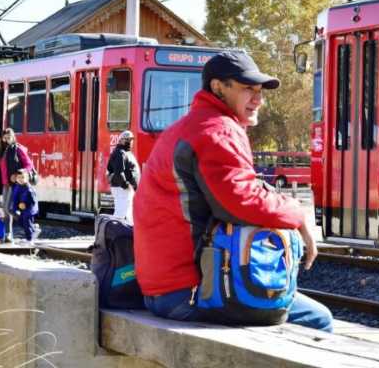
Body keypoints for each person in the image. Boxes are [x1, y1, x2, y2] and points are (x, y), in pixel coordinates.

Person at [134, 51, 332, 331]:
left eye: (260, 91)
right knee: (320, 321)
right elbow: (240, 203)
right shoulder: (217, 130)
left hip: (162, 288)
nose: (258, 100)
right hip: (190, 291)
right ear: (218, 87)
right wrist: (297, 214)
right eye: (248, 89)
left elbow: (237, 190)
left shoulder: (186, 126)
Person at [0, 128, 34, 242]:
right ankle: (8, 234)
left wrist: (18, 175)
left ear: (13, 137)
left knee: (9, 209)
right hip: (5, 184)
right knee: (5, 210)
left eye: (9, 137)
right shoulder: (3, 150)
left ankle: (29, 226)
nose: (7, 140)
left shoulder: (18, 149)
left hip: (15, 184)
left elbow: (29, 165)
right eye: (5, 138)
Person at [106, 130, 140, 223]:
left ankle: (128, 231)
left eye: (131, 139)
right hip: (121, 189)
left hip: (125, 189)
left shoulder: (125, 152)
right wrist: (126, 185)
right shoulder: (120, 153)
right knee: (120, 214)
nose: (130, 142)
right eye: (127, 139)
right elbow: (119, 172)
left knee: (128, 213)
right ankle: (114, 231)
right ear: (121, 140)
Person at [9, 168, 40, 243]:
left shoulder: (29, 189)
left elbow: (33, 201)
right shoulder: (17, 187)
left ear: (27, 178)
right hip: (22, 208)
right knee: (20, 221)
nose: (21, 179)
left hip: (30, 209)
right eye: (19, 177)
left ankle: (29, 239)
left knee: (26, 222)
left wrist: (25, 204)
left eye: (23, 177)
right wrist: (15, 209)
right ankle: (34, 228)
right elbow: (15, 198)